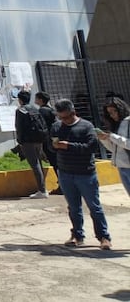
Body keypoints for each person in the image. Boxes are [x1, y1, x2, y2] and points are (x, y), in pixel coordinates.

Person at [52, 99, 112, 249]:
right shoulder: (57, 127)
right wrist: (54, 146)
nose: (63, 121)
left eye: (65, 117)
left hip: (85, 173)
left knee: (94, 207)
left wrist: (69, 146)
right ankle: (77, 235)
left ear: (73, 113)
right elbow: (51, 146)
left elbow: (91, 147)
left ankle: (103, 237)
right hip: (65, 173)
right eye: (60, 117)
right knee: (73, 207)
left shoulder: (86, 126)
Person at [15, 90, 48, 198]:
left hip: (27, 141)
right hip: (38, 139)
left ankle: (42, 191)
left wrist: (20, 141)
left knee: (35, 164)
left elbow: (19, 127)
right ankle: (43, 188)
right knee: (39, 162)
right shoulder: (35, 109)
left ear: (20, 100)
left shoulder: (20, 111)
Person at [98, 97, 130, 197]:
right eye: (109, 113)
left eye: (114, 111)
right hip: (122, 167)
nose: (112, 115)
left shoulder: (128, 122)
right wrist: (105, 140)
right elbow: (114, 149)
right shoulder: (116, 125)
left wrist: (112, 136)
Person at [35, 91, 61, 194]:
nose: (35, 100)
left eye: (36, 98)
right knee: (58, 163)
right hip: (55, 139)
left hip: (48, 141)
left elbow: (41, 127)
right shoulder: (51, 110)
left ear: (40, 100)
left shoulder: (42, 111)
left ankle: (62, 186)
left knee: (55, 163)